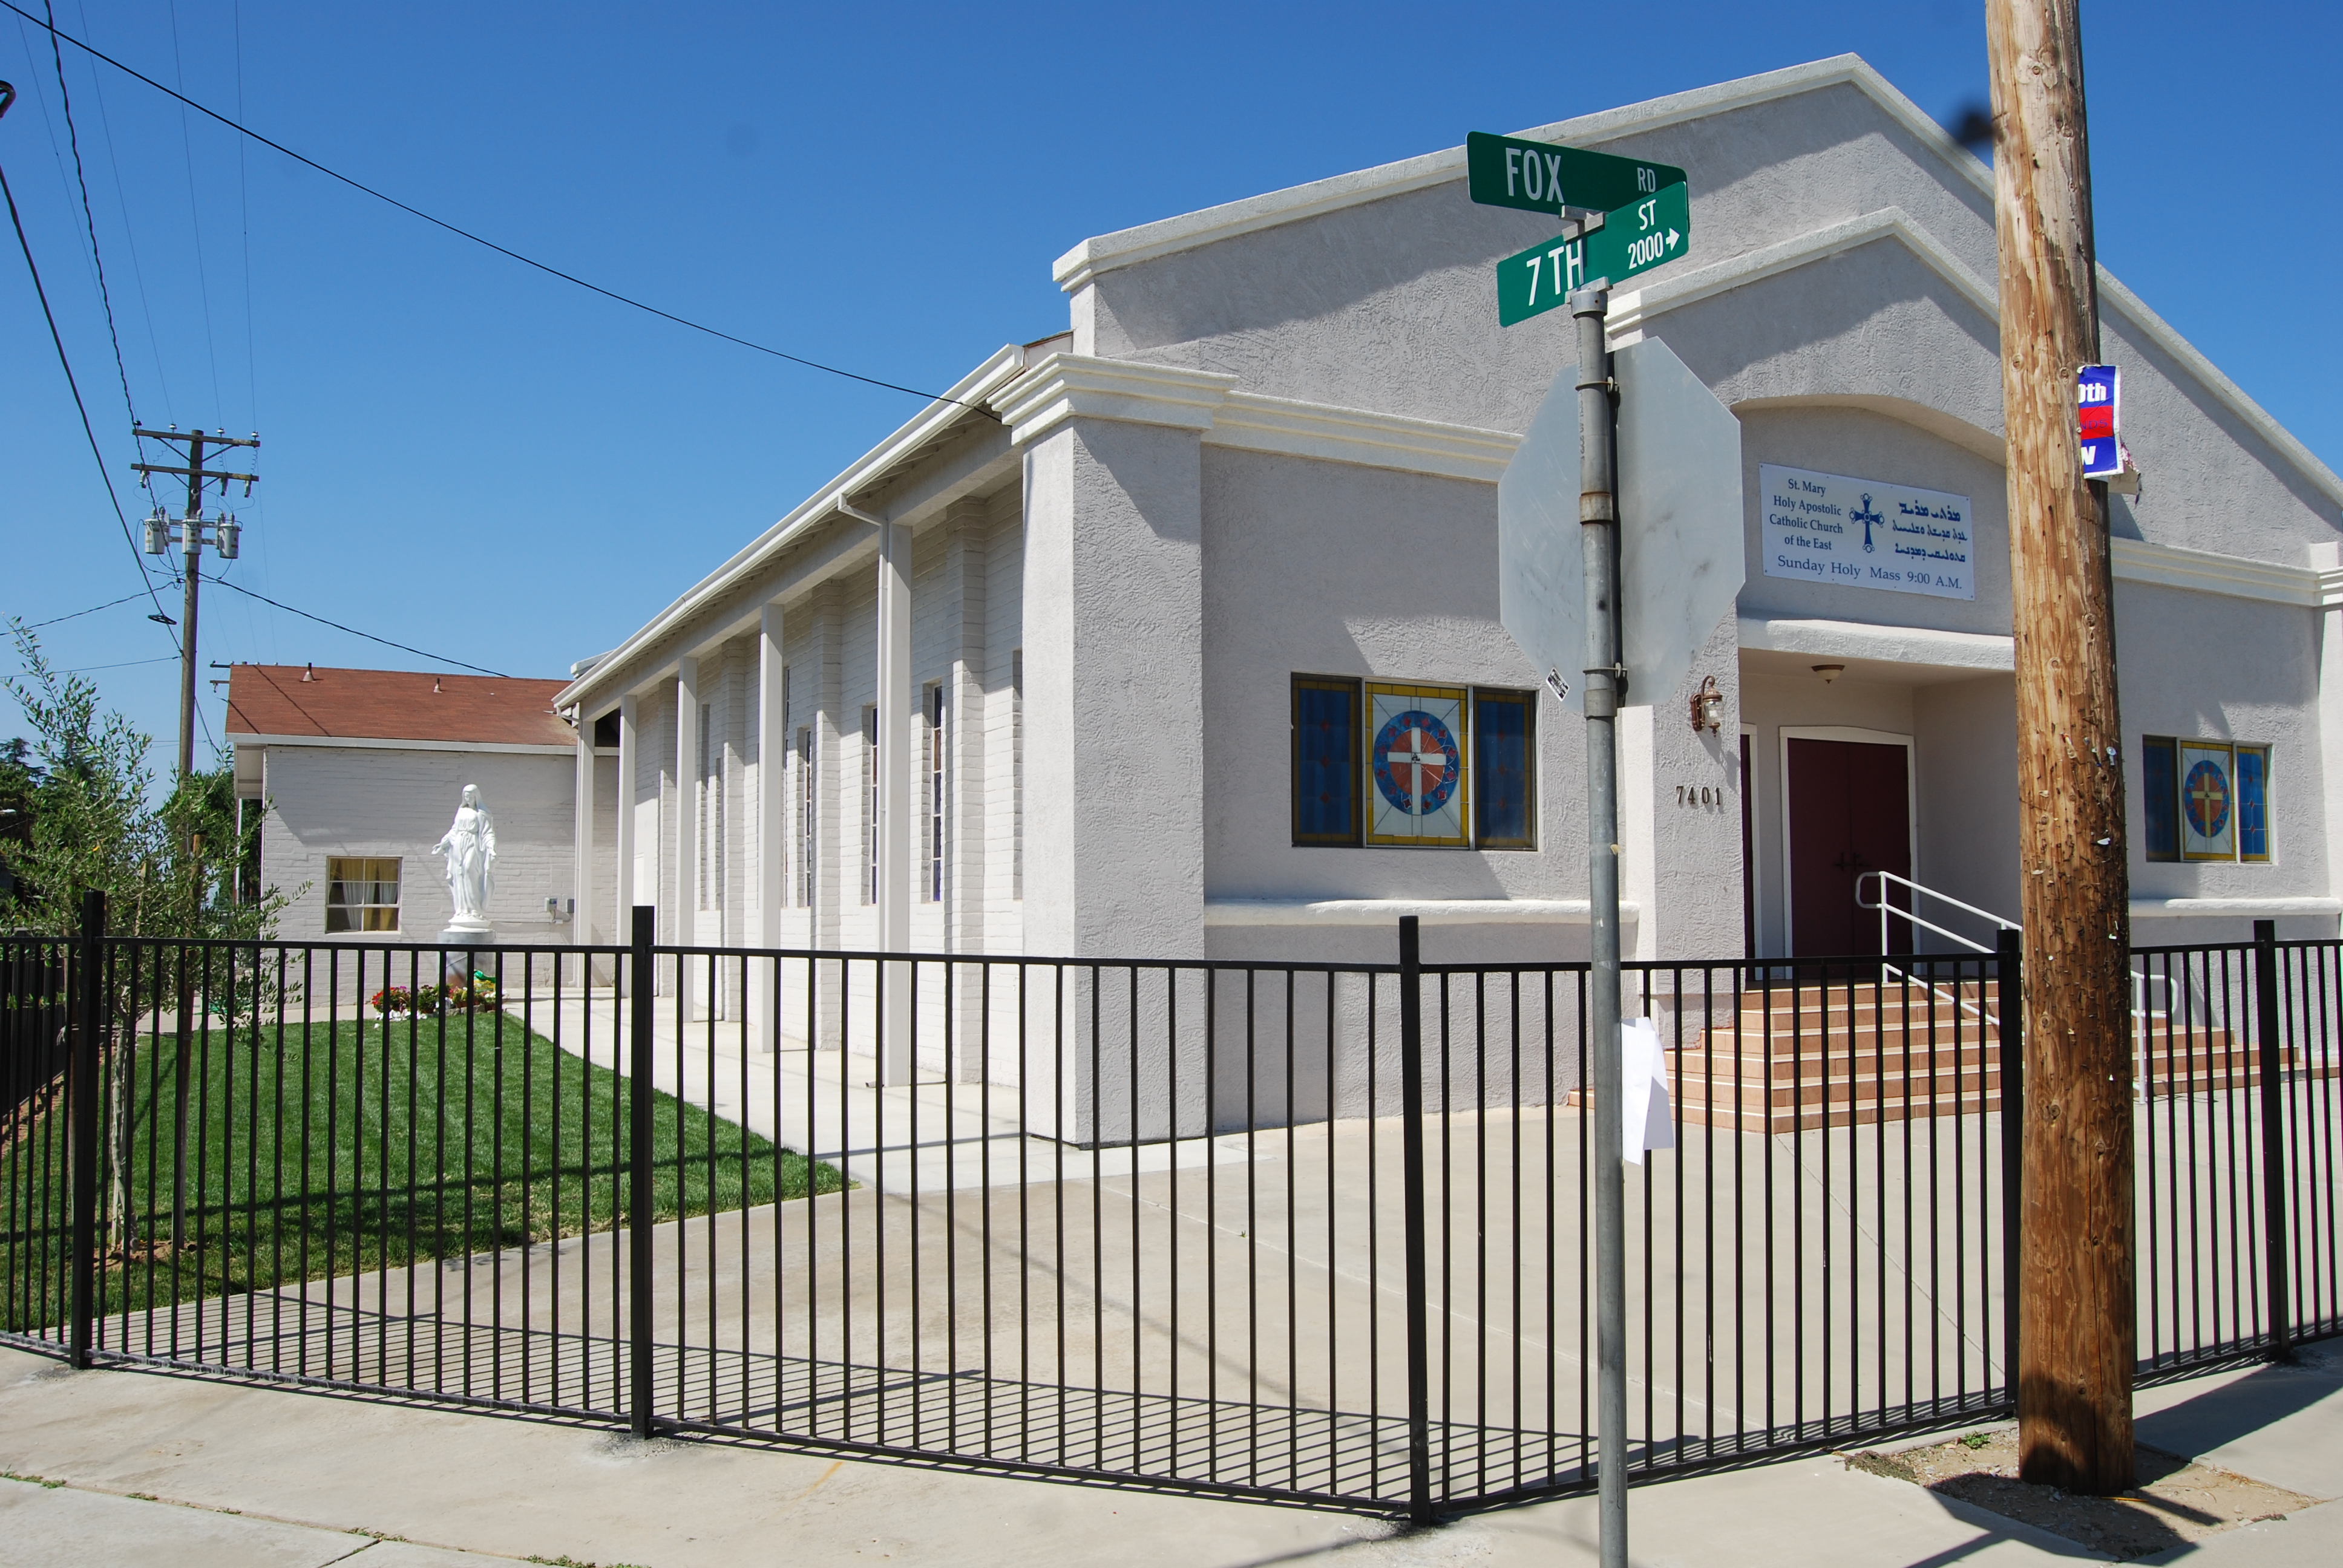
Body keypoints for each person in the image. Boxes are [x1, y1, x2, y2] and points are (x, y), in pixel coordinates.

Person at [433, 783, 497, 924]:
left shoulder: (482, 814)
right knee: (459, 874)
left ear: (476, 797)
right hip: (459, 844)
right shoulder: (461, 811)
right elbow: (454, 830)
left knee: (470, 871)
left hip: (473, 844)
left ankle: (475, 909)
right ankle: (462, 910)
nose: (468, 799)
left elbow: (487, 833)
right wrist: (443, 842)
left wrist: (491, 848)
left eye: (471, 796)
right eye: (466, 796)